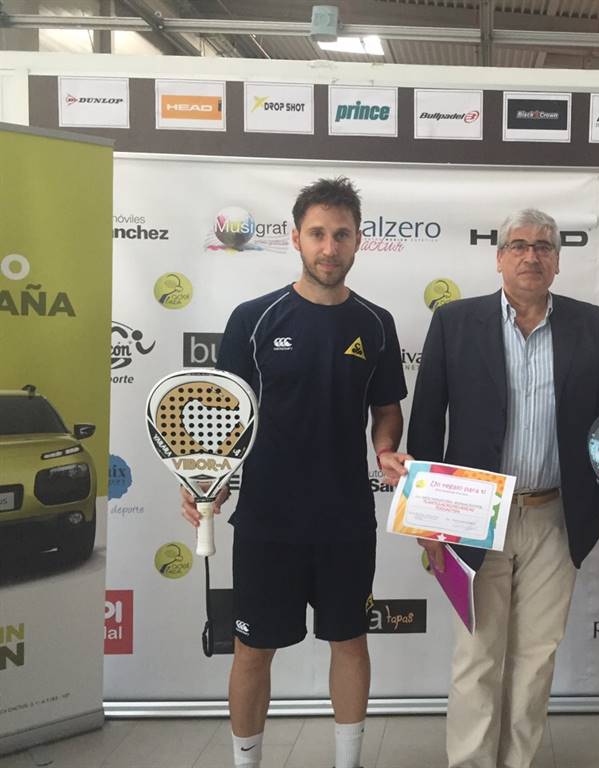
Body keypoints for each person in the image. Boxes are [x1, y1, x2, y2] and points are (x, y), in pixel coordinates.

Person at [180, 177, 409, 768]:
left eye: (341, 235)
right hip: (266, 522)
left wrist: (386, 448)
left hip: (345, 521)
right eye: (317, 234)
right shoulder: (253, 319)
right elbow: (221, 416)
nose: (329, 248)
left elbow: (386, 410)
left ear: (358, 240)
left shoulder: (377, 323)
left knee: (350, 643)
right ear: (295, 238)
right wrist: (207, 480)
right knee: (252, 652)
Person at [405, 208, 599, 768]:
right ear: (499, 257)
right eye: (519, 246)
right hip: (473, 515)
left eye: (543, 247)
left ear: (558, 261)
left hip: (556, 516)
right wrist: (427, 520)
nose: (531, 256)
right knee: (477, 656)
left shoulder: (590, 323)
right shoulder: (455, 322)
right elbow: (425, 424)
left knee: (536, 658)